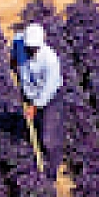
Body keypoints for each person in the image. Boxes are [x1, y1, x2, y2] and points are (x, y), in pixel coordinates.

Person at [13, 23, 63, 162]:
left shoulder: (50, 60)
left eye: (34, 48)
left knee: (49, 139)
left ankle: (50, 174)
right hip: (29, 92)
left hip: (49, 98)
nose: (31, 50)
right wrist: (13, 60)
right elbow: (15, 49)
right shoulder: (19, 42)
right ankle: (37, 156)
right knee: (33, 130)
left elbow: (49, 88)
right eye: (29, 47)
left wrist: (34, 106)